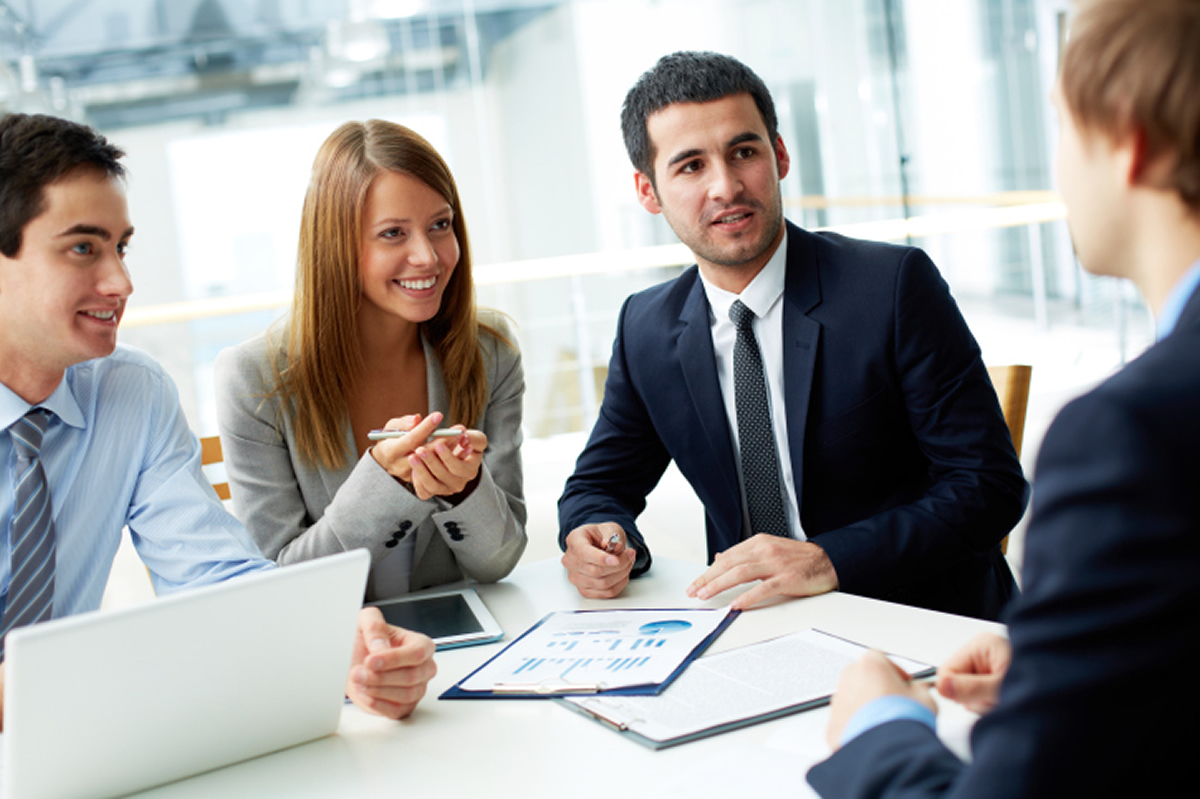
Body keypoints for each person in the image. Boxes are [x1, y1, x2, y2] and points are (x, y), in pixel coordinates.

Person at [809, 0, 1200, 794]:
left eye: (1059, 122)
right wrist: (1083, 655)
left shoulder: (1129, 434)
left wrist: (876, 723)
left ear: (1130, 140)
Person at [0, 112, 435, 727]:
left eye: (120, 247)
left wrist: (334, 639)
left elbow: (213, 574)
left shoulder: (131, 393)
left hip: (62, 742)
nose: (121, 281)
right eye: (82, 248)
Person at [557, 51, 1028, 620]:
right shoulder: (646, 327)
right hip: (759, 627)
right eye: (690, 167)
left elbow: (988, 487)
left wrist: (827, 559)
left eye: (744, 152)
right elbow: (597, 486)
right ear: (648, 191)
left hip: (921, 621)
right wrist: (595, 534)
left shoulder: (893, 287)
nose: (725, 187)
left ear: (779, 156)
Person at [214, 120, 526, 600]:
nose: (427, 256)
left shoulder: (490, 351)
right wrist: (383, 485)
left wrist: (464, 491)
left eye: (440, 225)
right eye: (393, 233)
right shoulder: (254, 380)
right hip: (336, 656)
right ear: (336, 246)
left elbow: (499, 561)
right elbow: (281, 584)